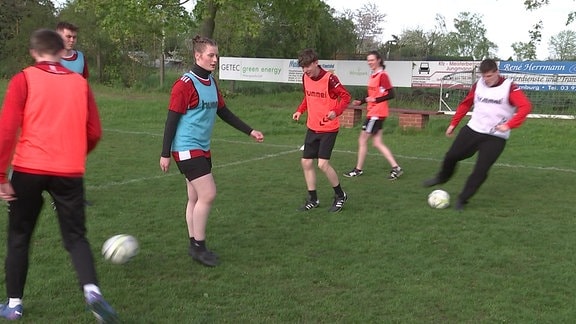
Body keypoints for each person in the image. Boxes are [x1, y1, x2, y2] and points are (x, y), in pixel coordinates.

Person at [0, 29, 118, 322]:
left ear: (33, 51)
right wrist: (76, 154)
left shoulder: (23, 78)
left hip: (28, 169)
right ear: (61, 50)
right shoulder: (79, 83)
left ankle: (14, 304)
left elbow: (6, 129)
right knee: (76, 237)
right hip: (69, 171)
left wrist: (1, 174)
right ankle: (92, 291)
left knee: (19, 237)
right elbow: (94, 132)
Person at [159, 35, 264, 267]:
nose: (215, 59)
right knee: (208, 194)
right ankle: (199, 246)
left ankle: (193, 243)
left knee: (195, 197)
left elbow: (224, 112)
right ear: (198, 56)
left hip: (202, 149)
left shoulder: (211, 83)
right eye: (211, 55)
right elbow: (171, 120)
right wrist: (165, 153)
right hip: (186, 149)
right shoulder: (184, 85)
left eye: (216, 55)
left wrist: (250, 131)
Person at [423, 58, 532, 211]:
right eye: (484, 76)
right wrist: (454, 123)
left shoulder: (509, 87)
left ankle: (462, 199)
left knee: (481, 170)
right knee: (452, 155)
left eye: (489, 76)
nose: (486, 80)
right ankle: (442, 177)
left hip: (495, 136)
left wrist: (509, 125)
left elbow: (525, 107)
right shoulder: (478, 85)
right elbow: (466, 103)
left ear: (497, 72)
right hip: (473, 129)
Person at [292, 48, 351, 213]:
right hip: (312, 127)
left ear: (316, 62)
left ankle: (340, 195)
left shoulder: (330, 79)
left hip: (328, 128)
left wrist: (336, 112)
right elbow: (307, 97)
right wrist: (300, 110)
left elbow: (346, 96)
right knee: (306, 162)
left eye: (307, 67)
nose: (305, 71)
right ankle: (313, 199)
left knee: (323, 164)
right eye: (303, 68)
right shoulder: (306, 77)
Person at [343, 50, 403, 180]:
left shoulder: (382, 75)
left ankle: (358, 169)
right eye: (368, 60)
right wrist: (362, 101)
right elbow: (373, 95)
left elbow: (391, 94)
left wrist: (375, 100)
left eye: (372, 60)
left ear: (379, 60)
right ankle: (396, 168)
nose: (369, 62)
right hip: (373, 112)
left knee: (363, 140)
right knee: (377, 142)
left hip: (376, 113)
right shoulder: (374, 75)